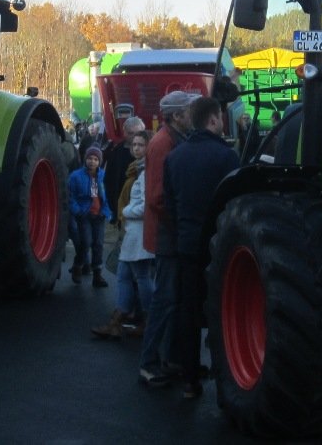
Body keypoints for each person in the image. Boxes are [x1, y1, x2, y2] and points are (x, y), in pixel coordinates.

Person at [165, 96, 240, 399]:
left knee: (189, 311)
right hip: (218, 247)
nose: (223, 123)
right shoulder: (227, 158)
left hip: (186, 244)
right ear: (212, 120)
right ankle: (226, 377)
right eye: (221, 118)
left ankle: (190, 378)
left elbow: (170, 205)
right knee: (224, 311)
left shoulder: (175, 157)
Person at [137, 89, 197, 387]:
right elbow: (158, 197)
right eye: (187, 112)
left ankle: (169, 359)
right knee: (164, 299)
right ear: (175, 116)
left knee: (171, 299)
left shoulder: (171, 139)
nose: (191, 116)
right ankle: (149, 363)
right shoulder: (163, 144)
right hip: (166, 233)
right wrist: (181, 224)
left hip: (168, 231)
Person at [91, 130, 154, 339]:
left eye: (141, 145)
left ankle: (149, 319)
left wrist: (125, 212)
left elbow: (146, 205)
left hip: (139, 232)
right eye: (134, 145)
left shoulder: (146, 172)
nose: (135, 148)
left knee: (141, 277)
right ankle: (118, 320)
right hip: (132, 232)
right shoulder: (136, 169)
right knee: (125, 276)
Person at [67, 145, 113, 287]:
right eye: (89, 158)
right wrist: (78, 211)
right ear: (85, 159)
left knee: (98, 244)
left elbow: (109, 196)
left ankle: (97, 274)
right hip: (84, 214)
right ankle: (78, 265)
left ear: (99, 162)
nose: (92, 162)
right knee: (85, 242)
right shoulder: (75, 176)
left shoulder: (103, 176)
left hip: (99, 215)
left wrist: (105, 212)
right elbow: (70, 196)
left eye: (95, 159)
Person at [102, 116, 146, 222]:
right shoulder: (116, 152)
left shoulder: (149, 152)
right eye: (131, 133)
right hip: (121, 203)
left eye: (138, 133)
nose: (135, 137)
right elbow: (109, 180)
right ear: (125, 133)